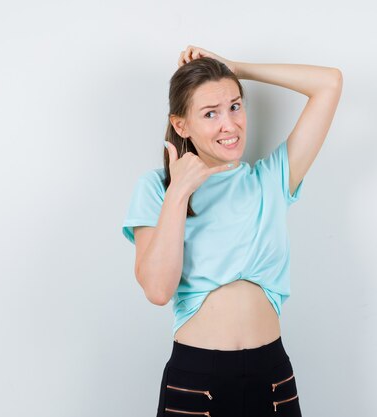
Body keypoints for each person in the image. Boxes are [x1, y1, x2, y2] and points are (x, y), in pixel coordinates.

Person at [121, 45, 342, 417]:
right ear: (181, 125)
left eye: (235, 106)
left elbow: (329, 83)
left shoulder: (270, 179)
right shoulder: (157, 188)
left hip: (271, 375)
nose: (230, 124)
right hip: (196, 377)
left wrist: (236, 67)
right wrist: (178, 193)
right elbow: (158, 290)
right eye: (210, 113)